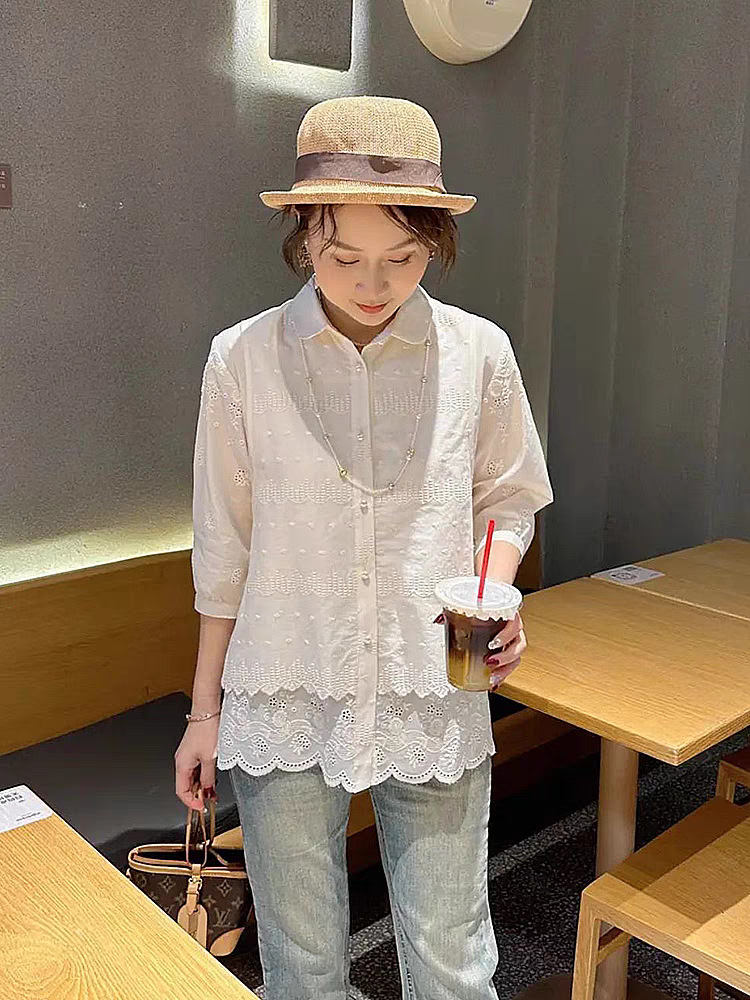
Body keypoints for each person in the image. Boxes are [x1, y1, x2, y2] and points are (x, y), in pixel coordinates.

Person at [174, 96, 553, 1000]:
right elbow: (224, 547)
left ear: (435, 243)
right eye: (344, 257)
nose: (374, 283)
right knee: (302, 973)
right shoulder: (242, 358)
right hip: (285, 686)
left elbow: (507, 497)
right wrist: (202, 711)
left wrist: (495, 594)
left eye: (405, 257)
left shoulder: (478, 353)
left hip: (434, 684)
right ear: (305, 233)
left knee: (454, 964)